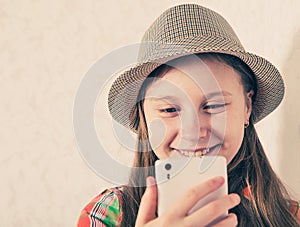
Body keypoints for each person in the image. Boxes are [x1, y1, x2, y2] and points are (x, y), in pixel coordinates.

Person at [77, 4, 300, 226]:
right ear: (144, 119)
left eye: (214, 106)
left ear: (247, 107)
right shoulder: (106, 214)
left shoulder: (293, 218)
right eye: (169, 110)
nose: (193, 133)